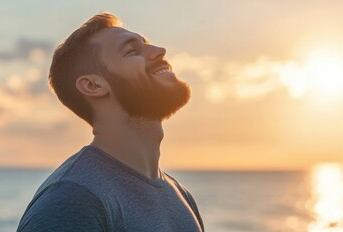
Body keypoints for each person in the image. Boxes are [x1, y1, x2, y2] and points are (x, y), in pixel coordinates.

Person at [16, 12, 204, 232]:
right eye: (132, 51)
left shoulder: (181, 196)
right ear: (93, 86)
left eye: (147, 44)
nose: (159, 51)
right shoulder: (74, 198)